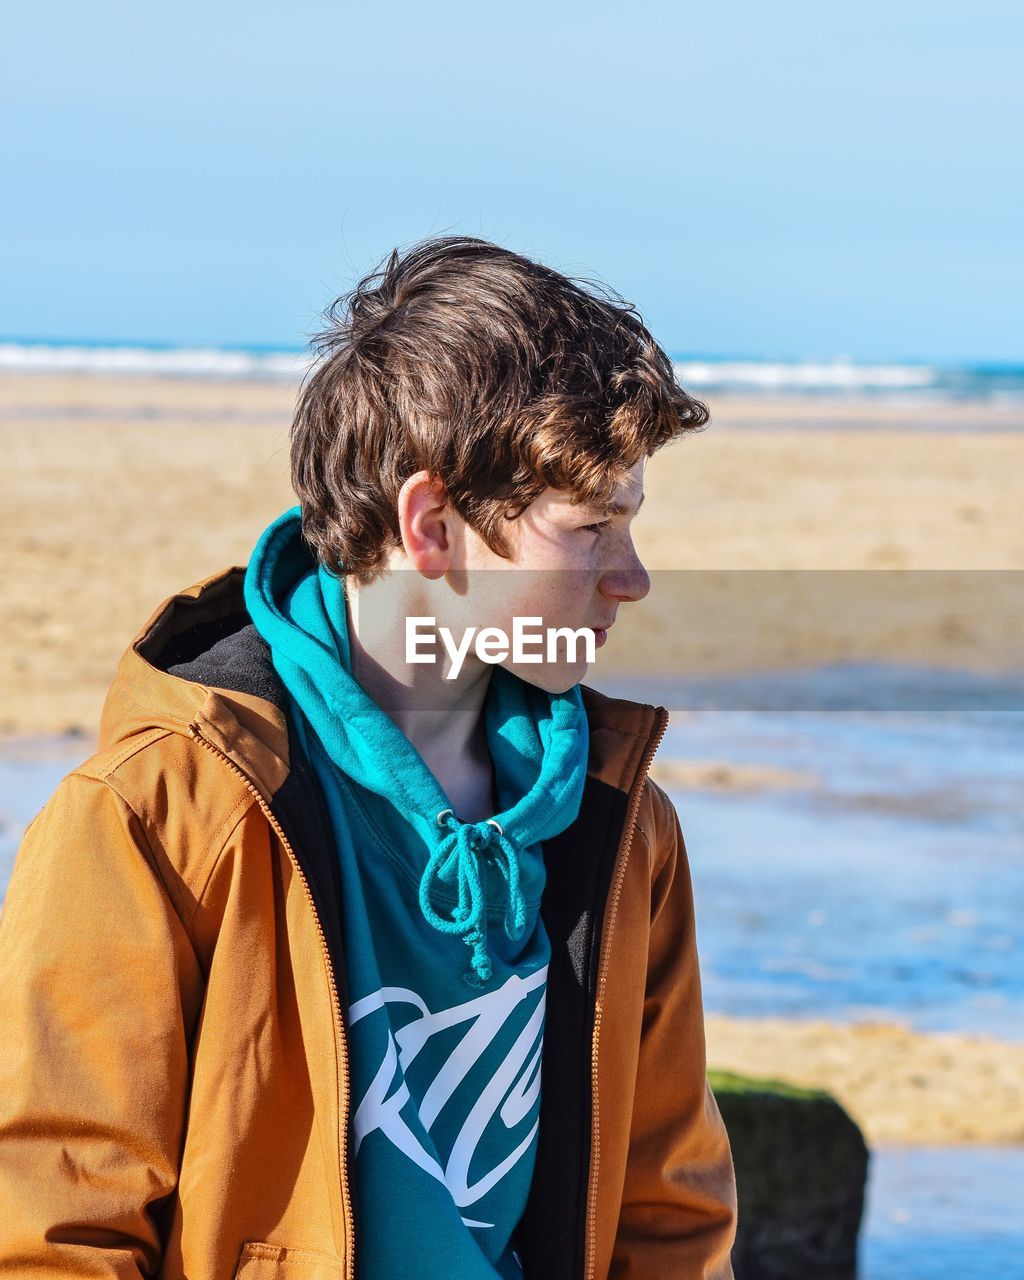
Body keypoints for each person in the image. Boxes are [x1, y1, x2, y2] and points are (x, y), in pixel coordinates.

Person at [0, 235, 738, 1279]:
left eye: (633, 521)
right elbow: (52, 1226)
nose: (631, 577)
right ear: (432, 524)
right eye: (591, 526)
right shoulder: (156, 809)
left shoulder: (621, 823)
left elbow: (668, 1213)